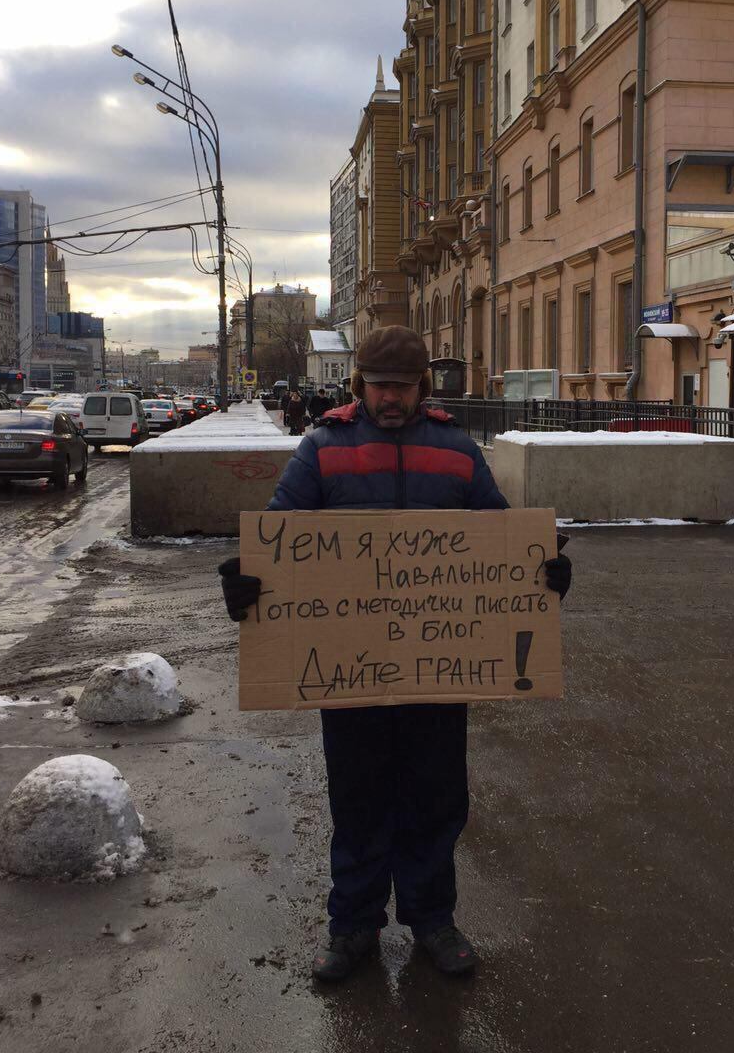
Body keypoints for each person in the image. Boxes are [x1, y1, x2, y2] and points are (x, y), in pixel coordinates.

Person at [218, 326, 571, 983]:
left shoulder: (458, 453)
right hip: (349, 673)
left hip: (439, 670)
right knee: (358, 800)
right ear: (360, 384)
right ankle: (352, 927)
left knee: (436, 798)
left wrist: (543, 574)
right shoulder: (322, 449)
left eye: (401, 387)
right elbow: (279, 535)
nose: (389, 398)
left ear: (421, 388)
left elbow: (502, 541)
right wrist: (245, 581)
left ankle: (432, 920)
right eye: (378, 385)